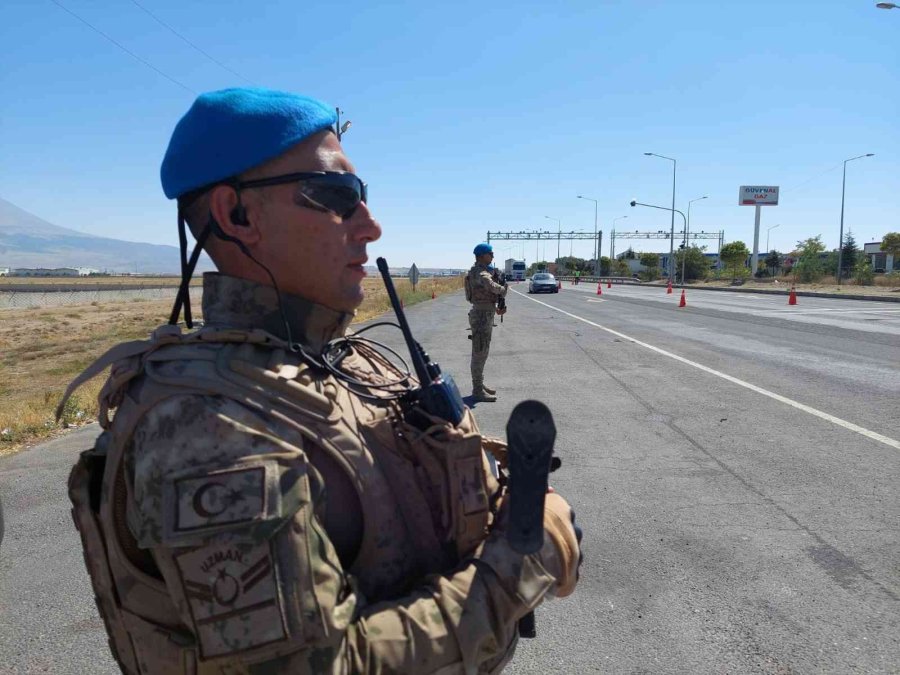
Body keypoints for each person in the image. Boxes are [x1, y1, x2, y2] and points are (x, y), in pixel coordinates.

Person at [60, 87, 582, 674]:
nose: (371, 226)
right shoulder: (208, 424)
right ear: (237, 215)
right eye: (336, 196)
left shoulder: (352, 364)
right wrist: (527, 559)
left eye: (364, 197)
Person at [466, 243, 508, 402]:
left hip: (485, 312)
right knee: (479, 352)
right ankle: (477, 389)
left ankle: (479, 384)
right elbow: (489, 285)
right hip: (481, 315)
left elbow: (485, 293)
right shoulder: (480, 272)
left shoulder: (480, 271)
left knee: (482, 352)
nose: (493, 256)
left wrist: (497, 307)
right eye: (490, 253)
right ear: (482, 255)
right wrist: (503, 289)